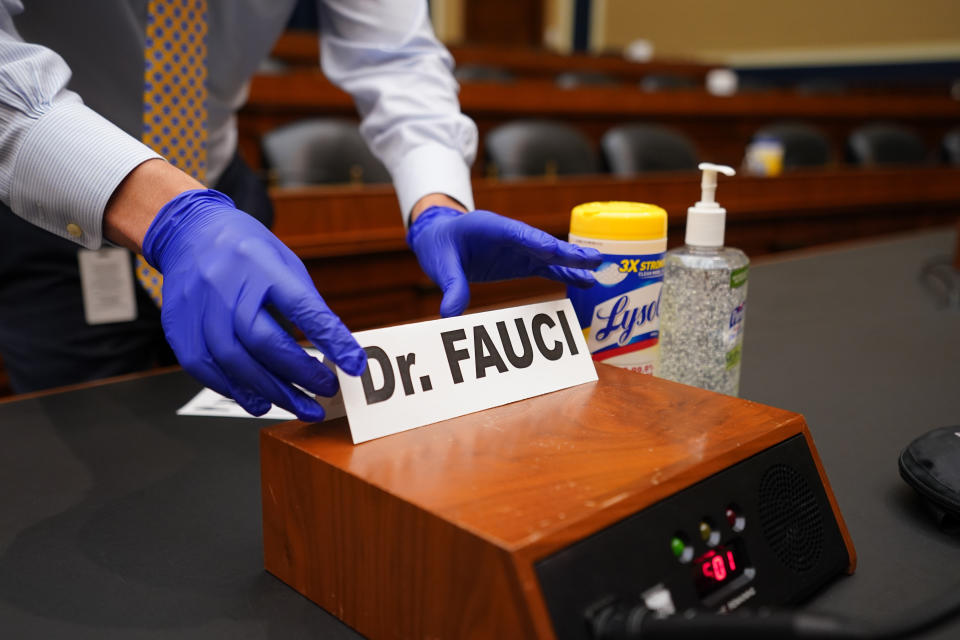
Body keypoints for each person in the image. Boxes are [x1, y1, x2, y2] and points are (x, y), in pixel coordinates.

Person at [0, 0, 600, 419]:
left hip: (225, 200)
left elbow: (394, 55)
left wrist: (436, 200)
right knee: (99, 453)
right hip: (58, 192)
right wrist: (167, 213)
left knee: (243, 446)